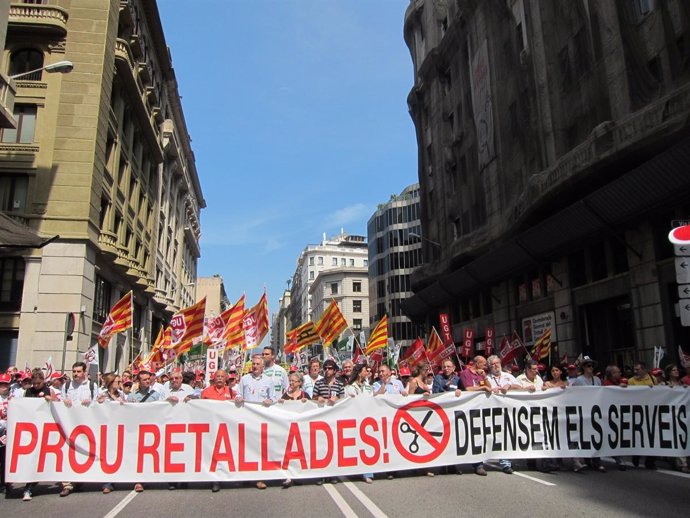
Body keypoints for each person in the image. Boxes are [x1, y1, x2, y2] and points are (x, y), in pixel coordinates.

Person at [235, 354, 276, 490]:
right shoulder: (245, 379)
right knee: (246, 448)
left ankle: (259, 477)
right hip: (246, 418)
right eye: (253, 364)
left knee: (260, 449)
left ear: (263, 367)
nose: (255, 366)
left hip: (261, 420)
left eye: (258, 364)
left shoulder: (269, 381)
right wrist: (239, 398)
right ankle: (246, 476)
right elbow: (238, 394)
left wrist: (270, 401)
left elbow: (274, 398)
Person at [59, 361, 98, 497]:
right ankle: (67, 484)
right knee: (67, 452)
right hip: (69, 425)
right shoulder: (66, 386)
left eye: (78, 371)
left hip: (86, 425)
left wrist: (91, 403)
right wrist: (63, 402)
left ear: (84, 372)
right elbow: (60, 401)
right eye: (74, 371)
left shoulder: (92, 386)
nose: (75, 374)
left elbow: (97, 404)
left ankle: (79, 479)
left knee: (82, 453)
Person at [485, 355, 523, 475]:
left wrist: (509, 386)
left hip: (508, 411)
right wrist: (490, 389)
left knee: (507, 436)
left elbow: (520, 387)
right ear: (489, 367)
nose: (496, 366)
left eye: (497, 363)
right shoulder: (487, 378)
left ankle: (506, 463)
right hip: (494, 411)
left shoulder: (508, 376)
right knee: (496, 436)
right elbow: (482, 389)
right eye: (493, 364)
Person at [127, 367, 161, 492]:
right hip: (136, 429)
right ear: (139, 381)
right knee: (138, 456)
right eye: (144, 380)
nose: (147, 381)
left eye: (148, 379)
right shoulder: (131, 396)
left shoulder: (156, 395)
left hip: (151, 429)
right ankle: (139, 480)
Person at [21, 370, 52, 501]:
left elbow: (56, 405)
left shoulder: (48, 390)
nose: (36, 386)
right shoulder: (28, 392)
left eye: (38, 383)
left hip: (45, 428)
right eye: (34, 383)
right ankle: (28, 487)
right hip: (31, 429)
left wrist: (50, 400)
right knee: (31, 457)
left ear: (43, 381)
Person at [278, 371, 311, 488]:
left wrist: (306, 404)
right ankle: (288, 476)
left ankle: (299, 475)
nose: (291, 383)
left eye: (293, 381)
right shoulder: (285, 395)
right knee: (287, 454)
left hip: (301, 430)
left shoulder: (305, 395)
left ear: (299, 383)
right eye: (290, 380)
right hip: (288, 429)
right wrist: (280, 403)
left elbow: (311, 411)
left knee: (300, 454)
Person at [344, 363, 375, 483]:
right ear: (359, 373)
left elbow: (372, 399)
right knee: (355, 446)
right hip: (354, 419)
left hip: (367, 419)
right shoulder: (349, 387)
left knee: (367, 446)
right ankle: (354, 471)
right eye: (364, 371)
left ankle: (368, 473)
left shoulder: (368, 386)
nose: (366, 373)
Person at [0, 373, 10, 494]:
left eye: (5, 384)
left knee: (5, 459)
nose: (3, 387)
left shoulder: (13, 397)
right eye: (1, 384)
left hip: (7, 432)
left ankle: (4, 483)